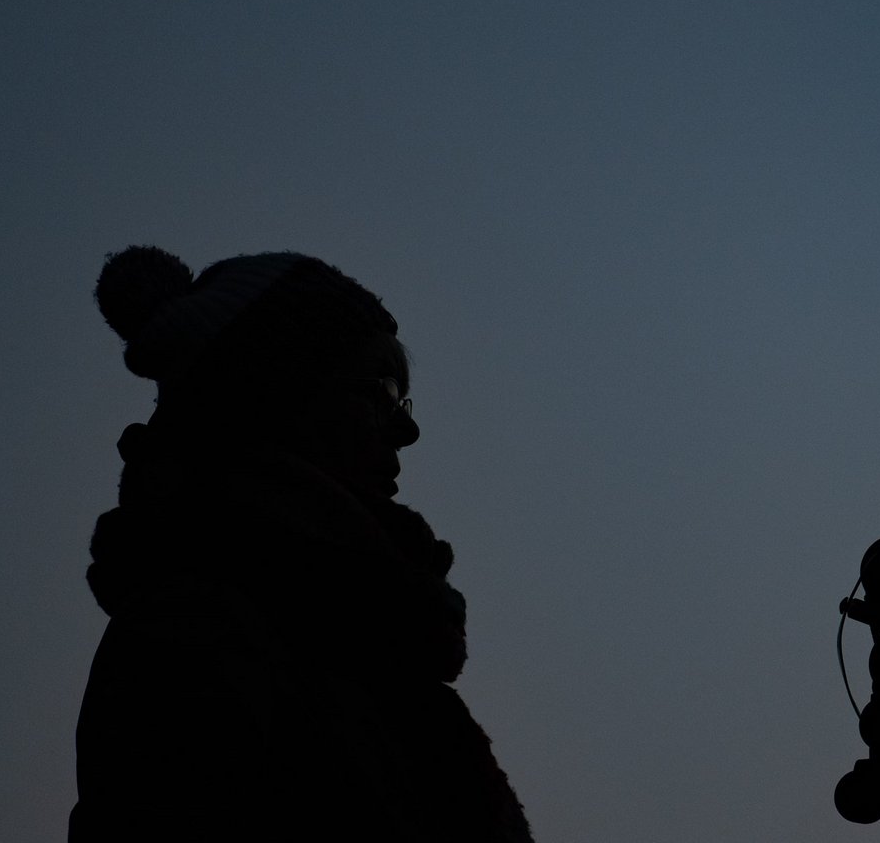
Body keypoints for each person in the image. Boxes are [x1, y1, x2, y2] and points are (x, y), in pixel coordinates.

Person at [71, 246, 534, 842]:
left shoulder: (351, 634)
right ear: (277, 398)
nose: (407, 428)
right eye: (382, 391)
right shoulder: (199, 627)